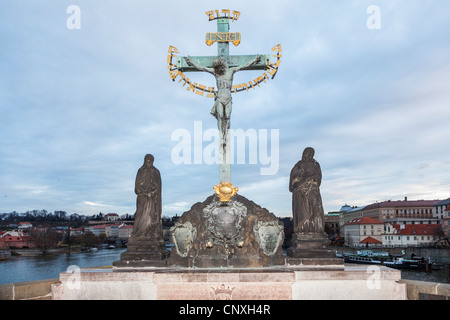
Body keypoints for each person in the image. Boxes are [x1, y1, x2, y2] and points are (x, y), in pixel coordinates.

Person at [184, 56, 261, 140]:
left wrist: (254, 60)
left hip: (228, 98)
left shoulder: (231, 71)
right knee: (220, 116)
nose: (217, 70)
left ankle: (225, 136)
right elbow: (202, 68)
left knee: (227, 116)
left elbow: (244, 66)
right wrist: (191, 62)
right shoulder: (216, 73)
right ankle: (221, 136)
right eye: (216, 68)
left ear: (223, 66)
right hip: (220, 98)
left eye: (219, 68)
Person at [289, 147, 325, 234]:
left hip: (312, 189)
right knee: (303, 211)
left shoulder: (316, 165)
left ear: (311, 154)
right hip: (300, 191)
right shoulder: (298, 165)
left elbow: (319, 177)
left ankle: (317, 228)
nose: (305, 152)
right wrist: (301, 176)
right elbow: (293, 177)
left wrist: (313, 178)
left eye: (308, 151)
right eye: (305, 151)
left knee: (316, 207)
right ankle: (303, 228)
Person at [131, 154, 163, 239]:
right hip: (142, 197)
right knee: (140, 213)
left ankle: (149, 233)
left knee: (151, 215)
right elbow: (136, 186)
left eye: (151, 162)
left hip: (152, 198)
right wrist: (143, 191)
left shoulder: (156, 172)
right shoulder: (140, 171)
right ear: (145, 161)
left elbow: (158, 187)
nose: (149, 163)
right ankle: (137, 233)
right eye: (147, 161)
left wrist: (152, 192)